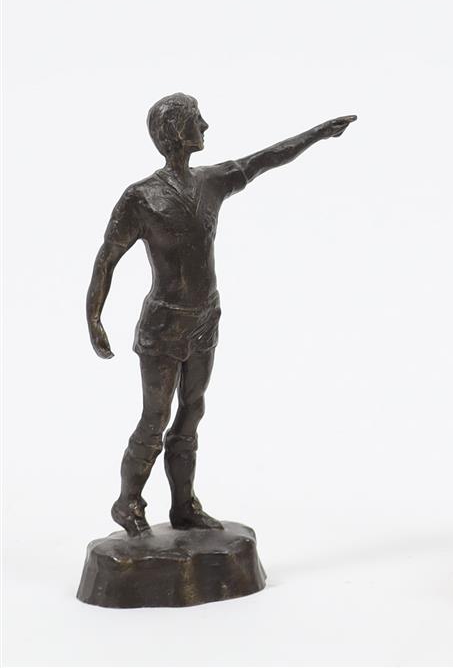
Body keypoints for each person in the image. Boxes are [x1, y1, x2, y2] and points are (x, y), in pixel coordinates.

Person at [86, 94, 355, 535]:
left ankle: (184, 506)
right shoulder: (141, 198)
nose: (206, 126)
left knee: (192, 410)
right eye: (197, 120)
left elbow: (264, 159)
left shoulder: (211, 182)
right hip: (163, 324)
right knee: (155, 419)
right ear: (177, 132)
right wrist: (94, 317)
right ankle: (127, 502)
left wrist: (317, 134)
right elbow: (107, 257)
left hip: (204, 318)